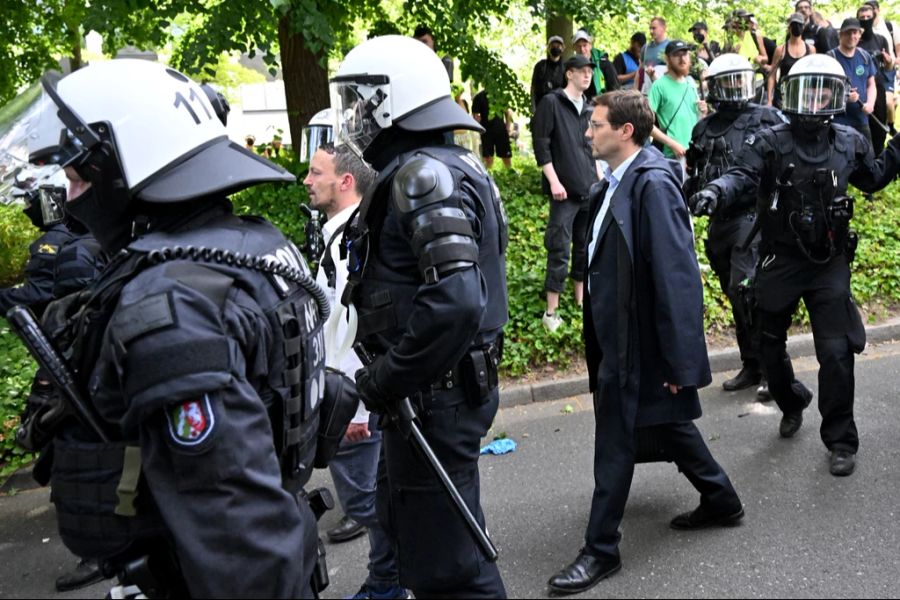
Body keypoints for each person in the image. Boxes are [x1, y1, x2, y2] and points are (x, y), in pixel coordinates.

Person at [22, 59, 333, 597]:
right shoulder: (251, 242)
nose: (69, 197)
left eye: (76, 178)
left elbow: (240, 535)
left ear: (127, 172)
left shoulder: (172, 302)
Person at [331, 35, 508, 598]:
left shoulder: (422, 176)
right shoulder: (443, 164)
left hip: (434, 397)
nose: (353, 119)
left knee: (452, 569)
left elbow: (456, 301)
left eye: (359, 103)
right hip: (433, 393)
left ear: (390, 102)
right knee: (421, 542)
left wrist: (386, 379)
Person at [546, 90, 743, 596]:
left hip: (641, 345)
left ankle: (600, 549)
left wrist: (681, 364)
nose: (587, 133)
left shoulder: (653, 184)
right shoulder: (615, 181)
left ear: (625, 131)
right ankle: (721, 499)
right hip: (621, 339)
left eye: (595, 125)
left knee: (615, 440)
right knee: (668, 425)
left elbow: (678, 278)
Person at [690, 54, 900, 477]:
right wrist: (714, 191)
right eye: (808, 90)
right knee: (769, 345)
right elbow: (741, 176)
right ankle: (791, 400)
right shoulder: (769, 140)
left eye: (825, 90)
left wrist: (896, 150)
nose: (815, 101)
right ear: (790, 95)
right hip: (780, 259)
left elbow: (874, 178)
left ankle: (841, 440)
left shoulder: (850, 140)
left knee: (837, 354)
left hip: (829, 262)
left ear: (838, 96)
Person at [304, 142, 409, 600]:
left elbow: (354, 325)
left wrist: (355, 408)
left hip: (349, 397)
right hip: (350, 392)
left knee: (370, 501)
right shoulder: (342, 232)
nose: (307, 181)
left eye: (315, 173)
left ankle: (393, 584)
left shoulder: (351, 240)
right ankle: (391, 580)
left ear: (345, 181)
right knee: (375, 498)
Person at [685, 54, 785, 396]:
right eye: (725, 82)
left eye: (737, 80)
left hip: (753, 219)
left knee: (748, 292)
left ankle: (774, 370)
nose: (732, 88)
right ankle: (752, 364)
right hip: (720, 222)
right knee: (734, 294)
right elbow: (694, 173)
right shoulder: (703, 127)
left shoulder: (767, 118)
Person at [533, 54, 599, 332]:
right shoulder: (552, 102)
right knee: (559, 248)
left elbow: (592, 148)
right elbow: (542, 144)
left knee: (584, 248)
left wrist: (599, 179)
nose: (587, 75)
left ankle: (581, 301)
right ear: (569, 74)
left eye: (590, 72)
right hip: (563, 194)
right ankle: (552, 311)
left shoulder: (590, 107)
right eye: (582, 71)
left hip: (588, 189)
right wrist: (554, 181)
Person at [650, 41, 708, 161]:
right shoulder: (659, 86)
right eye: (677, 55)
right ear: (668, 59)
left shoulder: (690, 83)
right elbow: (646, 125)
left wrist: (704, 113)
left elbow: (695, 122)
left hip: (694, 152)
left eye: (685, 54)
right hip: (674, 156)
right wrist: (673, 145)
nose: (682, 59)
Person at [828, 18, 877, 147]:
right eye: (848, 32)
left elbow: (871, 84)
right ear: (841, 35)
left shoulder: (865, 57)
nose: (852, 36)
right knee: (840, 162)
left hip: (861, 120)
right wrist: (843, 97)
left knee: (867, 159)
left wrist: (870, 103)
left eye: (855, 32)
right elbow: (823, 90)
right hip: (837, 122)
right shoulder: (830, 58)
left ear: (860, 35)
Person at [857, 3, 893, 154]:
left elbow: (889, 67)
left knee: (879, 126)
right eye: (862, 18)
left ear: (874, 17)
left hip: (878, 86)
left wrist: (889, 61)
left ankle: (878, 158)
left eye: (868, 17)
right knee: (861, 125)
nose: (865, 20)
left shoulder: (881, 39)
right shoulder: (855, 39)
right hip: (859, 87)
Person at [767, 13, 816, 110]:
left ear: (803, 27)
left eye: (799, 25)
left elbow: (814, 76)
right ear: (789, 27)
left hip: (804, 98)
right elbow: (772, 75)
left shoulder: (810, 49)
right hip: (783, 98)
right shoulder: (781, 50)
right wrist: (769, 99)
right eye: (794, 25)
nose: (796, 27)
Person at [866, 0, 900, 133]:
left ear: (878, 10)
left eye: (873, 9)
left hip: (887, 71)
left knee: (888, 104)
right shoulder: (863, 30)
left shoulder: (890, 27)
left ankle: (890, 126)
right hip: (870, 71)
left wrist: (892, 63)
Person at [573, 29, 619, 99]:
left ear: (590, 45)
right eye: (579, 46)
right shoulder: (571, 65)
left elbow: (614, 87)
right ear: (574, 48)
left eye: (585, 45)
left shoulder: (603, 62)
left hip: (601, 102)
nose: (582, 49)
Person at [472, 89, 513, 168]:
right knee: (488, 157)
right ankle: (490, 175)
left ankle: (510, 175)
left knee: (506, 155)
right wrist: (479, 127)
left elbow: (508, 112)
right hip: (486, 131)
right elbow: (475, 116)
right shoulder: (479, 97)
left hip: (501, 130)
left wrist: (508, 126)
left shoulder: (500, 95)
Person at [531, 35, 566, 112]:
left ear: (563, 48)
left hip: (561, 110)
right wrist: (534, 109)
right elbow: (533, 88)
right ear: (548, 48)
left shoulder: (566, 67)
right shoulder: (540, 66)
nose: (555, 47)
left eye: (558, 46)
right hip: (543, 108)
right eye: (553, 45)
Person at [641, 17, 670, 92]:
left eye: (654, 28)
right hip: (648, 90)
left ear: (663, 28)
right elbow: (640, 70)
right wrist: (635, 90)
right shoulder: (646, 47)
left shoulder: (670, 46)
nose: (651, 31)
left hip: (664, 90)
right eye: (650, 28)